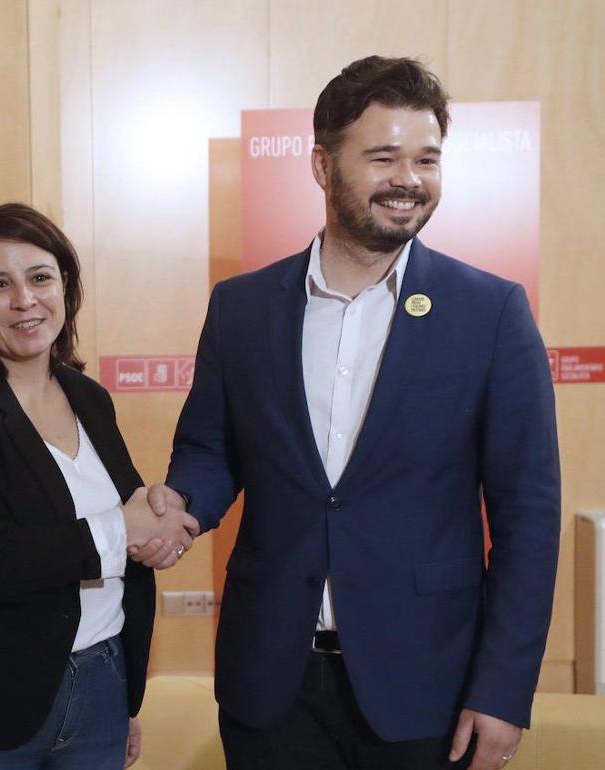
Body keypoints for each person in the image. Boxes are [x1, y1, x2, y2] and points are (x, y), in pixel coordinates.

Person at [146, 56, 561, 770]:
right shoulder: (242, 308)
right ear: (322, 165)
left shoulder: (490, 313)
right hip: (270, 684)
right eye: (383, 157)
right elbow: (213, 448)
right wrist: (181, 507)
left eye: (426, 159)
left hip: (427, 687)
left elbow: (529, 516)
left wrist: (503, 689)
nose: (409, 179)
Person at [0, 203, 200, 769]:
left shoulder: (89, 397)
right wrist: (121, 530)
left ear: (66, 288)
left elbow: (122, 526)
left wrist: (155, 530)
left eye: (40, 277)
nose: (24, 300)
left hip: (100, 685)